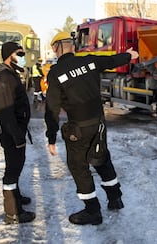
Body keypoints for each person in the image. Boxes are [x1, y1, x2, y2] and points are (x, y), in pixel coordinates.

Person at [44, 32, 139, 225]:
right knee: (101, 159)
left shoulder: (56, 72)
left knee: (79, 168)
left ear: (56, 48)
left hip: (77, 130)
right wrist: (129, 55)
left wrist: (51, 137)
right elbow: (112, 61)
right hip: (99, 125)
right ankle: (115, 199)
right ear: (72, 46)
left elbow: (52, 108)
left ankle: (92, 212)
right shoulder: (89, 61)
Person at [0, 41, 35, 224]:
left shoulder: (11, 74)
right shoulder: (5, 78)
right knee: (12, 169)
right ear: (10, 56)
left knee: (16, 166)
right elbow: (7, 111)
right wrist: (17, 136)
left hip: (15, 128)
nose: (23, 58)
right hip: (11, 131)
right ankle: (13, 212)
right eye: (20, 54)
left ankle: (15, 196)